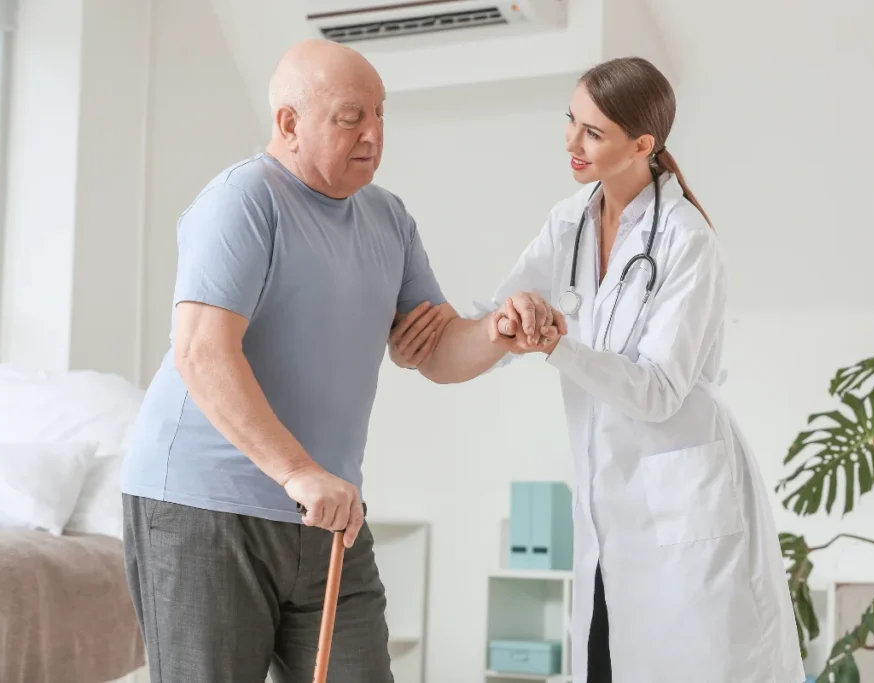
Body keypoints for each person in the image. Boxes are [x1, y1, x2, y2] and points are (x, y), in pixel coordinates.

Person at [119, 39, 551, 682]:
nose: (374, 134)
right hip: (204, 507)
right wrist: (297, 472)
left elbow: (431, 348)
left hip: (327, 516)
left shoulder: (389, 219)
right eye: (351, 117)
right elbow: (201, 352)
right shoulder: (243, 200)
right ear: (289, 123)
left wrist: (498, 331)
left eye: (380, 115)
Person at [392, 57, 806, 683]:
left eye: (593, 132)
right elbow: (492, 326)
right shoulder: (570, 222)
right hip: (608, 518)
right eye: (571, 121)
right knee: (607, 662)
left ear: (643, 145)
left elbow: (661, 390)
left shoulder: (686, 240)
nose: (572, 141)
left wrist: (557, 345)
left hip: (686, 517)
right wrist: (480, 331)